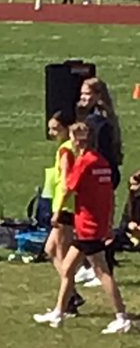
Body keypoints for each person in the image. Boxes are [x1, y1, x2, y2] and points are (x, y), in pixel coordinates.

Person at [33, 121, 130, 334]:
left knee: (102, 271)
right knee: (67, 269)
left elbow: (69, 187)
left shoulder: (84, 162)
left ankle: (121, 315)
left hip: (87, 225)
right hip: (94, 223)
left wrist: (58, 212)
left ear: (80, 141)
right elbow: (109, 196)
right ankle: (59, 311)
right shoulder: (102, 162)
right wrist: (109, 224)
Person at [41, 112, 82, 313]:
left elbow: (66, 182)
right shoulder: (70, 148)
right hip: (64, 205)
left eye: (56, 129)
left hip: (65, 208)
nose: (52, 133)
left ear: (67, 128)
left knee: (62, 254)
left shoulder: (66, 150)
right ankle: (72, 294)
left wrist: (57, 210)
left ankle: (69, 301)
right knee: (49, 250)